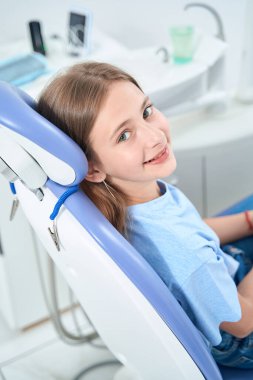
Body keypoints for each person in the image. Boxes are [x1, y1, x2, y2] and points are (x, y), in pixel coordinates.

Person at [37, 61, 253, 368]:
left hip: (222, 280)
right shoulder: (185, 253)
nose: (154, 136)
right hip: (241, 337)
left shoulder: (136, 196)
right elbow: (242, 324)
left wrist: (248, 221)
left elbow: (194, 230)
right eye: (124, 135)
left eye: (146, 111)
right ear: (93, 167)